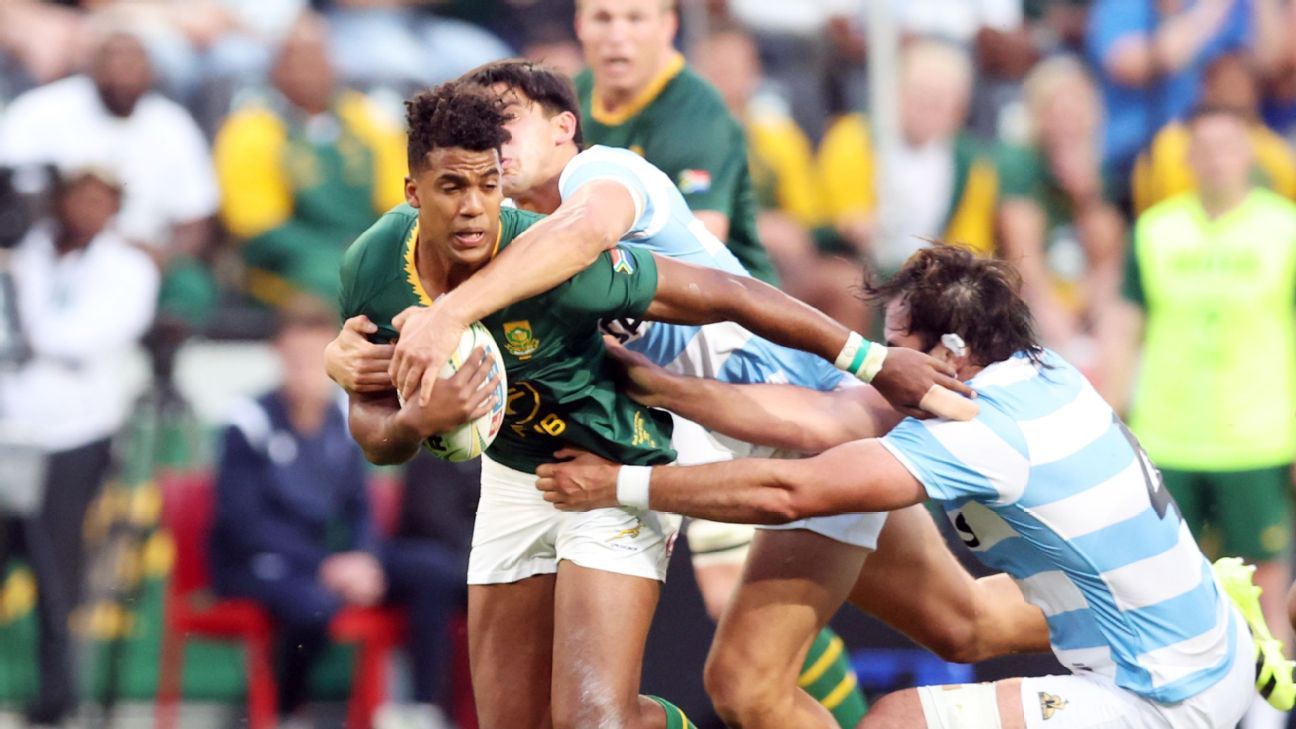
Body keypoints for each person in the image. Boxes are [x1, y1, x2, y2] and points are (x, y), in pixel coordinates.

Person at [336, 79, 968, 729]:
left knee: (601, 719)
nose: (474, 207)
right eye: (451, 187)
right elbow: (372, 429)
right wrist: (415, 420)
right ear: (413, 193)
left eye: (487, 183)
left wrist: (871, 360)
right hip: (525, 473)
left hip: (630, 452)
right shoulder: (375, 263)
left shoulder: (576, 233)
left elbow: (726, 292)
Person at [537, 244, 1271, 729]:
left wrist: (619, 484)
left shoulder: (982, 435)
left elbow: (790, 492)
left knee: (894, 721)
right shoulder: (1040, 371)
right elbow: (828, 420)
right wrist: (661, 387)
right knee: (962, 624)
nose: (883, 369)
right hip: (1210, 645)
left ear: (948, 351)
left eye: (893, 349)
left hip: (1163, 698)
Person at [1101, 104, 1296, 729]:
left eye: (1227, 146)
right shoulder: (1156, 231)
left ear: (1250, 154)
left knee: (1264, 581)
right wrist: (1111, 413)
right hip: (1169, 433)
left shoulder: (1285, 229)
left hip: (1258, 434)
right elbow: (1125, 326)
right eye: (1203, 148)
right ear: (1186, 159)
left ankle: (1265, 714)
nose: (1215, 160)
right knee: (1163, 582)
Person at [209, 298, 464, 727]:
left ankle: (420, 710)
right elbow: (245, 523)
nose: (306, 368)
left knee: (432, 568)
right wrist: (326, 566)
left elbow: (359, 506)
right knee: (312, 603)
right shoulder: (249, 422)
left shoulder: (343, 420)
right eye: (297, 357)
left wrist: (364, 558)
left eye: (316, 356)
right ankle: (287, 711)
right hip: (259, 564)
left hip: (332, 562)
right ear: (277, 353)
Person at [0, 167, 159, 726]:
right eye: (78, 197)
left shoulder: (128, 267)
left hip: (75, 434)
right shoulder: (27, 251)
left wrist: (26, 324)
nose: (86, 210)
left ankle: (56, 697)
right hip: (10, 432)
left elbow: (81, 336)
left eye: (99, 200)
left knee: (56, 567)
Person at [0, 28, 220, 329]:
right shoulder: (42, 112)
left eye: (134, 63)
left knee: (188, 284)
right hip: (55, 248)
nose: (123, 72)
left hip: (142, 251)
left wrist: (162, 257)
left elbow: (196, 217)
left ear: (152, 72)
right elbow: (10, 191)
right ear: (91, 65)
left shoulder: (172, 125)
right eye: (114, 61)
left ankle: (162, 352)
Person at [572, 0, 781, 285]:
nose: (617, 35)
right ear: (580, 25)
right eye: (602, 18)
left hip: (727, 297)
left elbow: (697, 249)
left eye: (635, 18)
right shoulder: (570, 97)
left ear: (667, 26)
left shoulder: (700, 114)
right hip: (615, 279)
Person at [213, 11, 406, 308]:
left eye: (317, 57)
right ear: (275, 68)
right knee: (341, 281)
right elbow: (256, 227)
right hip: (288, 264)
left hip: (370, 249)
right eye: (295, 58)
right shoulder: (250, 128)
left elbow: (401, 202)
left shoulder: (368, 118)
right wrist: (344, 252)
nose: (307, 70)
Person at [1084, 0, 1287, 206]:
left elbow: (1268, 62)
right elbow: (1130, 64)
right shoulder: (1122, 6)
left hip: (1203, 148)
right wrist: (1212, 9)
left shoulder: (1219, 9)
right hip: (1127, 159)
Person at [995, 55, 1124, 354]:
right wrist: (1059, 329)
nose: (1068, 122)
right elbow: (1022, 257)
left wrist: (1086, 197)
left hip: (1076, 299)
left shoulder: (1098, 171)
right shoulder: (1020, 162)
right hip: (1026, 305)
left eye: (1077, 109)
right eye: (1057, 110)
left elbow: (1108, 259)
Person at [1131, 53, 1296, 215]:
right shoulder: (1170, 144)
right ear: (1206, 86)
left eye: (1240, 83)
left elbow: (1286, 195)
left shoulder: (1272, 149)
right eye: (1226, 82)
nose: (1233, 91)